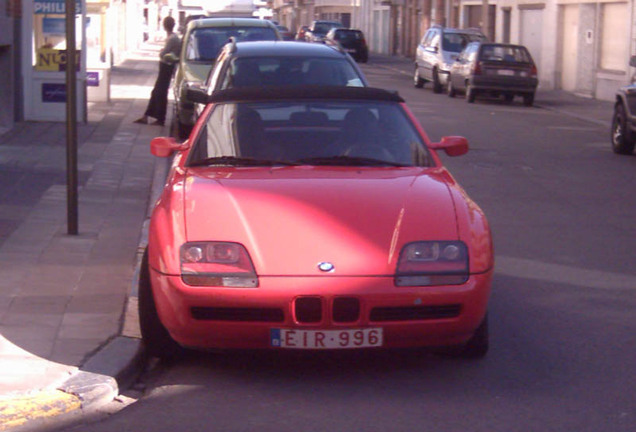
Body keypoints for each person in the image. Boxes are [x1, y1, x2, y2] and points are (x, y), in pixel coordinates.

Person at [134, 16, 181, 126]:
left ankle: (160, 119)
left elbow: (163, 53)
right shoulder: (172, 37)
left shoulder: (172, 38)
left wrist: (162, 52)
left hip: (167, 67)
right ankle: (146, 116)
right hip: (166, 67)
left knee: (161, 92)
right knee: (156, 92)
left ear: (165, 25)